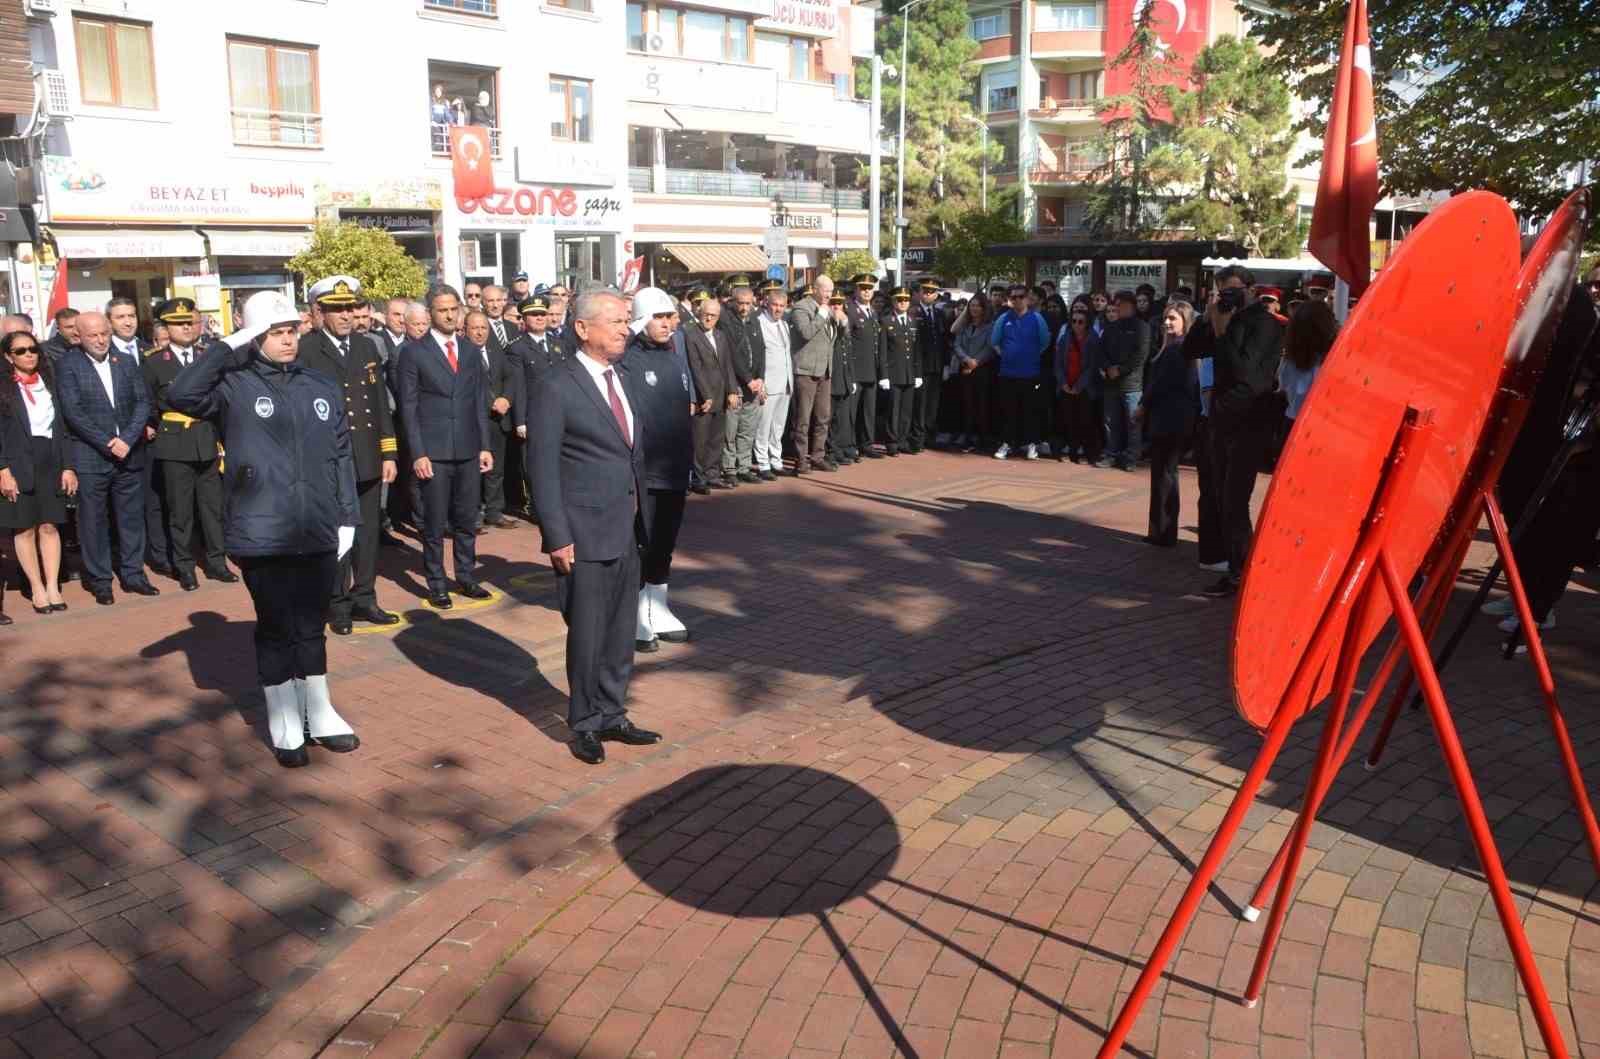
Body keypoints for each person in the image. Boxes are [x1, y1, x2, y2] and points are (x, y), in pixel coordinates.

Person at [168, 291, 361, 768]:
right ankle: (283, 718)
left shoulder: (318, 384)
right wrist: (228, 344)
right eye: (275, 332)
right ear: (255, 336)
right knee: (276, 627)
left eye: (291, 330)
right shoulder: (232, 385)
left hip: (317, 525)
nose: (287, 339)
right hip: (262, 529)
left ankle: (318, 709)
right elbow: (180, 395)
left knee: (312, 624)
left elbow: (340, 456)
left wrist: (348, 517)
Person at [529, 288, 662, 766]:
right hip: (582, 530)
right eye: (615, 321)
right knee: (587, 632)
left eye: (627, 321)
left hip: (625, 525)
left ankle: (611, 712)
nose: (626, 329)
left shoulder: (621, 376)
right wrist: (556, 534)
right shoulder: (556, 384)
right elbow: (541, 466)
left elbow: (630, 451)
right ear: (583, 329)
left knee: (620, 629)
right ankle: (584, 722)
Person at [298, 276, 400, 634]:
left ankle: (365, 597)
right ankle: (337, 603)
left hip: (368, 454)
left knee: (368, 532)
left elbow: (379, 405)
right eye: (337, 309)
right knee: (338, 533)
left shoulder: (366, 346)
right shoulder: (306, 350)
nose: (346, 315)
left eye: (350, 308)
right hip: (331, 459)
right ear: (320, 313)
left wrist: (389, 453)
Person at [1183, 264, 1285, 597]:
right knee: (1217, 496)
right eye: (1221, 290)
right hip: (1219, 424)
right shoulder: (1225, 319)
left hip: (1248, 424)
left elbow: (1248, 376)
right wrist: (1209, 318)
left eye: (1232, 290)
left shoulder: (1266, 325)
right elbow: (1190, 350)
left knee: (1234, 500)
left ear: (1251, 289)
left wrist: (1224, 334)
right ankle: (1233, 565)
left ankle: (1244, 571)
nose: (1227, 297)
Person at [395, 284, 493, 609]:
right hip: (433, 453)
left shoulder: (468, 350)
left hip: (467, 448)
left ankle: (466, 577)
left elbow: (479, 400)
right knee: (435, 523)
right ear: (430, 313)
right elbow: (408, 407)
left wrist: (484, 446)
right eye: (442, 310)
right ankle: (437, 583)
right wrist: (418, 452)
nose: (449, 315)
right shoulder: (413, 352)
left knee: (466, 520)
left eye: (454, 309)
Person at [57, 311, 159, 605]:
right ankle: (101, 580)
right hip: (92, 456)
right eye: (93, 335)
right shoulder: (68, 365)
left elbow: (143, 402)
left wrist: (126, 439)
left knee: (131, 518)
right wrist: (106, 442)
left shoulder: (126, 361)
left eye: (104, 333)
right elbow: (73, 411)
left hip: (128, 454)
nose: (101, 340)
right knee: (93, 521)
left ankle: (133, 574)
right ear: (79, 336)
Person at [140, 298, 234, 591]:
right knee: (180, 511)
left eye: (191, 322)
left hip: (207, 438)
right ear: (166, 327)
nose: (186, 327)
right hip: (174, 442)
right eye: (179, 323)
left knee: (212, 508)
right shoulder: (154, 361)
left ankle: (217, 563)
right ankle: (185, 566)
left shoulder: (209, 356)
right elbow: (151, 403)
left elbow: (223, 396)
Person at [623, 288, 695, 652]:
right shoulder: (628, 360)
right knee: (643, 542)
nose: (667, 324)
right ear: (641, 320)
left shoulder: (674, 355)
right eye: (659, 317)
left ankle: (657, 605)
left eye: (670, 317)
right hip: (646, 472)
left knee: (665, 543)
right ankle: (635, 612)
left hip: (675, 468)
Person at [0, 331, 76, 621]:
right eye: (20, 351)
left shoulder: (50, 383)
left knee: (49, 526)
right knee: (25, 528)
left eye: (33, 349)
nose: (29, 355)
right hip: (17, 462)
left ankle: (53, 587)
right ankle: (37, 588)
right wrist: (3, 470)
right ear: (9, 356)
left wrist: (68, 466)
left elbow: (63, 428)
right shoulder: (4, 387)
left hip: (50, 460)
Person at [1136, 301, 1199, 547]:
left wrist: (1142, 406)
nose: (1167, 322)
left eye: (1173, 318)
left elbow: (1159, 384)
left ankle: (1163, 532)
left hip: (1170, 418)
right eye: (1165, 318)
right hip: (1171, 417)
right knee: (1165, 474)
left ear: (1185, 321)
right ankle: (1161, 530)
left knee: (1164, 475)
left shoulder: (1178, 349)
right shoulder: (1174, 348)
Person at [471, 296, 520, 530]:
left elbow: (510, 377)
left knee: (497, 468)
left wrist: (506, 398)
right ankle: (475, 513)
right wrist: (492, 401)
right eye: (475, 328)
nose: (480, 332)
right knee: (475, 469)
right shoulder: (462, 352)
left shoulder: (496, 350)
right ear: (465, 330)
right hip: (474, 420)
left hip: (497, 420)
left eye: (484, 328)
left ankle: (494, 510)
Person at [683, 292, 739, 490]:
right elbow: (695, 367)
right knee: (700, 441)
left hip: (721, 394)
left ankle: (713, 474)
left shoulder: (720, 336)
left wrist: (732, 391)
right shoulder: (690, 334)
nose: (709, 318)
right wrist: (705, 394)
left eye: (713, 316)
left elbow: (727, 366)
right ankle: (699, 479)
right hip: (703, 397)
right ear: (699, 312)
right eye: (706, 314)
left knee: (717, 438)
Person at [989, 285, 1049, 460]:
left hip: (1030, 373)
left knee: (1030, 411)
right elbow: (994, 341)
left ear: (1027, 298)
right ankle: (1007, 443)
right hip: (1007, 373)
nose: (1017, 300)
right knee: (1008, 411)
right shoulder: (1003, 318)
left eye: (1021, 296)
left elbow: (1045, 342)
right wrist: (1006, 355)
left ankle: (1031, 445)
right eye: (1013, 297)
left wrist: (1030, 356)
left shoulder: (1037, 318)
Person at [788, 275, 839, 474]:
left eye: (830, 291)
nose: (828, 294)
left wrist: (840, 324)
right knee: (803, 419)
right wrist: (822, 315)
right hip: (806, 371)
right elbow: (806, 333)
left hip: (825, 370)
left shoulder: (828, 310)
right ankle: (800, 460)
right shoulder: (802, 307)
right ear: (814, 289)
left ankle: (817, 456)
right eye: (825, 290)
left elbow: (831, 339)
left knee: (823, 417)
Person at [718, 276, 765, 483]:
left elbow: (761, 350)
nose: (745, 307)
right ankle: (729, 468)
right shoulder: (726, 320)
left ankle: (744, 466)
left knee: (748, 428)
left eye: (748, 303)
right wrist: (747, 380)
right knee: (731, 429)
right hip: (736, 382)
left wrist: (760, 379)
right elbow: (732, 355)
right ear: (733, 302)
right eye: (741, 303)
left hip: (754, 383)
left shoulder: (754, 319)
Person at [1276, 299, 1336, 457]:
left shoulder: (1289, 359)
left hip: (1292, 425)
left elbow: (1283, 385)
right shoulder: (1335, 360)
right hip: (1323, 430)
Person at [1100, 291, 1152, 471]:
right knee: (1110, 422)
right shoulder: (1110, 327)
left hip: (1132, 384)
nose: (1116, 308)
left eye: (1120, 304)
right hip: (1110, 383)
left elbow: (1141, 355)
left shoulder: (1142, 327)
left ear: (1130, 306)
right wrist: (1107, 368)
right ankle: (1111, 454)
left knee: (1133, 423)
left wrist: (1120, 370)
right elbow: (1101, 351)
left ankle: (1132, 457)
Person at [752, 281, 793, 479]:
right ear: (767, 304)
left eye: (782, 306)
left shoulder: (784, 324)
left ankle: (776, 460)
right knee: (764, 426)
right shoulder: (759, 323)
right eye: (775, 305)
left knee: (778, 427)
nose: (778, 309)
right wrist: (760, 383)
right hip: (768, 383)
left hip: (785, 383)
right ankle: (762, 463)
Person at [1054, 305, 1104, 464]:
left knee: (1086, 421)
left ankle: (1090, 453)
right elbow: (1058, 363)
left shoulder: (1093, 339)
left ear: (1087, 322)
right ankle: (1073, 451)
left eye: (1081, 322)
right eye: (1074, 321)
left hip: (1085, 388)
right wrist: (1063, 383)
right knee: (1069, 420)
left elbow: (1092, 366)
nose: (1077, 325)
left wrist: (1079, 385)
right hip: (1066, 385)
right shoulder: (1065, 337)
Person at [878, 286, 920, 457]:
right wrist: (884, 375)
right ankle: (892, 442)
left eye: (906, 300)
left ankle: (902, 440)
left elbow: (917, 350)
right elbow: (883, 351)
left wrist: (918, 374)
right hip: (894, 373)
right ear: (894, 301)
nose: (903, 303)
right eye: (899, 300)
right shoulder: (886, 321)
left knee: (906, 411)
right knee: (893, 410)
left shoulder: (912, 322)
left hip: (909, 373)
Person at [845, 274, 883, 459]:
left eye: (870, 288)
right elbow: (847, 343)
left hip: (872, 371)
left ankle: (866, 444)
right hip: (856, 371)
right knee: (852, 412)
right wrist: (849, 373)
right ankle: (851, 445)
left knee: (869, 411)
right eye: (863, 288)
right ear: (856, 290)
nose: (867, 291)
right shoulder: (850, 310)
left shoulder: (873, 312)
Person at [951, 294, 995, 452]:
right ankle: (967, 437)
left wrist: (975, 362)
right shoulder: (964, 325)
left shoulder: (990, 325)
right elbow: (956, 345)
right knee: (967, 404)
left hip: (982, 369)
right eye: (972, 305)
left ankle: (982, 438)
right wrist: (966, 360)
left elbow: (990, 348)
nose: (974, 308)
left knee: (982, 405)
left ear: (984, 308)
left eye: (977, 306)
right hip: (965, 368)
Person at [909, 277, 948, 453]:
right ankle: (918, 438)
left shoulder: (940, 314)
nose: (928, 294)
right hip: (920, 366)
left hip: (936, 366)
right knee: (920, 404)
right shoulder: (913, 313)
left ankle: (929, 435)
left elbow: (944, 340)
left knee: (933, 403)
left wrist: (946, 364)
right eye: (925, 291)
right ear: (919, 293)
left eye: (932, 292)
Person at [823, 290, 856, 467]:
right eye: (833, 303)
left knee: (840, 418)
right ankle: (830, 451)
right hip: (831, 377)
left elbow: (848, 353)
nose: (836, 307)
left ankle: (837, 449)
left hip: (843, 378)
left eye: (839, 303)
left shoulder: (843, 322)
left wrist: (851, 378)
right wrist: (841, 321)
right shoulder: (827, 322)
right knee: (828, 418)